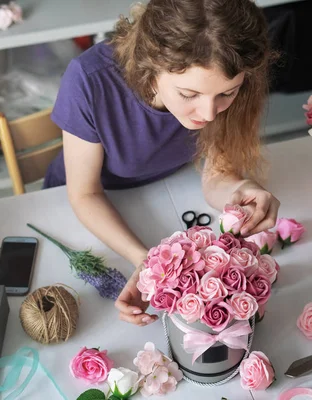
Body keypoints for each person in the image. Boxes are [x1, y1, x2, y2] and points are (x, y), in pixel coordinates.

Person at [45, 0, 281, 327]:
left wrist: (242, 189)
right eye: (188, 94)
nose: (209, 114)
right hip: (92, 202)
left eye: (227, 94)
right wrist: (147, 262)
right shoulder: (90, 80)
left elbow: (218, 173)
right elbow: (84, 194)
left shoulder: (234, 70)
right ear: (152, 67)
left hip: (168, 189)